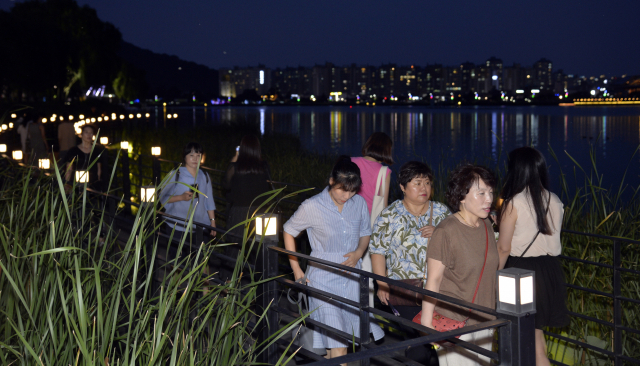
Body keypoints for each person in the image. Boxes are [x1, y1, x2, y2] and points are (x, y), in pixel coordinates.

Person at [283, 156, 384, 364]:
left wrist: (358, 252)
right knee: (339, 344)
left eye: (352, 190)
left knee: (335, 346)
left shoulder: (358, 204)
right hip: (323, 279)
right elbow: (288, 230)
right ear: (331, 181)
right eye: (341, 189)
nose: (346, 195)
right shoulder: (312, 206)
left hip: (352, 280)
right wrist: (296, 268)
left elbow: (366, 232)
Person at [370, 161, 450, 365]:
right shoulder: (390, 215)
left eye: (427, 183)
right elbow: (378, 251)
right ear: (403, 187)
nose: (424, 188)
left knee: (433, 343)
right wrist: (382, 284)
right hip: (403, 290)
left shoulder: (441, 212)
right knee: (419, 342)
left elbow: (456, 246)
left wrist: (440, 233)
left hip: (438, 289)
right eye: (417, 183)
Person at [420, 164, 499, 366]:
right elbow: (434, 280)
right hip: (453, 321)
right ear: (461, 196)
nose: (489, 199)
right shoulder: (446, 231)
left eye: (490, 192)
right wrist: (427, 323)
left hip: (485, 319)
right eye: (481, 193)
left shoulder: (487, 225)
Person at [497, 147, 569, 366]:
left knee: (529, 342)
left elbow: (504, 247)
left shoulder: (514, 202)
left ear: (517, 170)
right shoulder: (555, 199)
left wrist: (496, 275)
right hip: (551, 271)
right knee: (537, 336)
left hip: (523, 272)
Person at [221, 134, 272, 281]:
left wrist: (234, 159)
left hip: (239, 214)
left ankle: (227, 286)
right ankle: (260, 286)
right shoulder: (264, 166)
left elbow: (225, 184)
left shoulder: (236, 167)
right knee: (258, 252)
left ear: (241, 149)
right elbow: (268, 188)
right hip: (260, 214)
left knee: (233, 251)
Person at [352, 132, 394, 307]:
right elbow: (383, 207)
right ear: (387, 150)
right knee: (367, 275)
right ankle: (365, 318)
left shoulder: (351, 162)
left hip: (348, 222)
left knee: (346, 269)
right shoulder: (385, 172)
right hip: (369, 229)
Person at [159, 142, 216, 240]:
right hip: (177, 225)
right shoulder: (175, 174)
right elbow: (162, 197)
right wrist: (181, 197)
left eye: (198, 155)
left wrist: (213, 222)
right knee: (178, 255)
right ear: (184, 157)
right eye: (191, 155)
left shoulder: (204, 176)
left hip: (200, 225)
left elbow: (209, 201)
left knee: (200, 254)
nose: (195, 159)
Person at [63, 124, 107, 192]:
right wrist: (67, 184)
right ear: (81, 134)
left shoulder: (97, 150)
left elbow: (99, 169)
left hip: (92, 186)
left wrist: (98, 183)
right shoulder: (73, 151)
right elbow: (69, 169)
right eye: (86, 132)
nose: (89, 135)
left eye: (91, 133)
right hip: (76, 185)